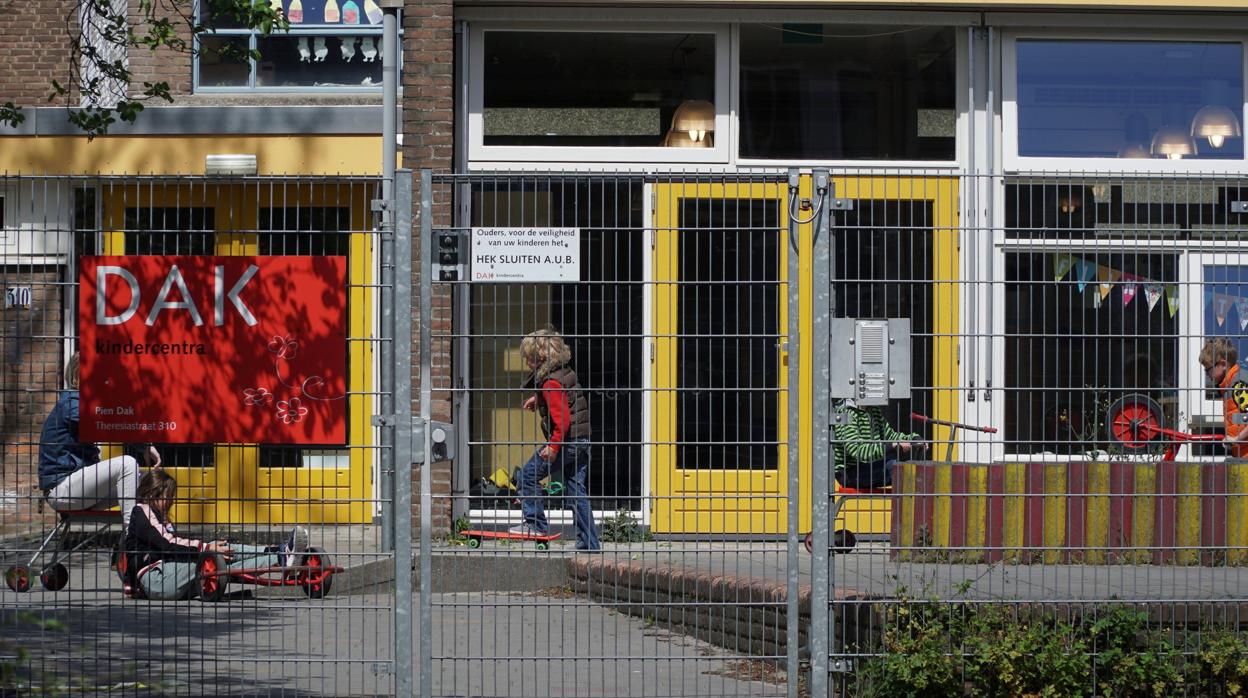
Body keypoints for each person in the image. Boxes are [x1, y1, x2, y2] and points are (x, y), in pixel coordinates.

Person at [122, 469, 310, 600]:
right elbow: (167, 544)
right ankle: (280, 559)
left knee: (227, 552)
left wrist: (209, 547)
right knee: (216, 559)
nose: (171, 502)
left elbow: (172, 544)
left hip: (167, 576)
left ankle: (280, 552)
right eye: (168, 497)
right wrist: (207, 548)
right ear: (153, 493)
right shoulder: (142, 511)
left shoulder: (157, 517)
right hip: (156, 578)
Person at [38, 352, 160, 528]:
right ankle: (132, 535)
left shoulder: (85, 403)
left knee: (151, 482)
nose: (107, 380)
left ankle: (152, 538)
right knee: (127, 464)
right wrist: (144, 446)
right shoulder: (72, 403)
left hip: (83, 492)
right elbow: (109, 426)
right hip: (62, 490)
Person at [509, 329, 601, 551]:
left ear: (541, 357)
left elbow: (563, 422)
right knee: (576, 490)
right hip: (582, 439)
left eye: (529, 357)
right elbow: (566, 399)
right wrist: (538, 397)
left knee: (528, 474)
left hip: (566, 442)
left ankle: (534, 524)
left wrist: (553, 446)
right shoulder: (563, 372)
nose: (526, 362)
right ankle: (590, 543)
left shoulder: (550, 383)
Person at [832, 398, 926, 489]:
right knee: (897, 469)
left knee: (899, 467)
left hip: (869, 465)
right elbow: (858, 451)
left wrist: (912, 438)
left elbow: (890, 435)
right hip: (849, 472)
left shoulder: (873, 409)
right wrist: (892, 445)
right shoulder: (846, 413)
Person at [1199, 337, 1248, 459]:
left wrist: (1236, 439)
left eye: (1208, 370)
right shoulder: (1228, 385)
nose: (1207, 375)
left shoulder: (1238, 384)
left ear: (1223, 364)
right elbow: (1242, 418)